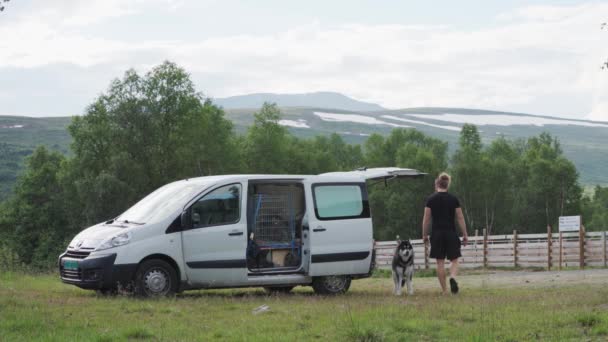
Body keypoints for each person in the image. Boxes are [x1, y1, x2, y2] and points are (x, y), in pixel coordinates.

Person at [422, 172, 468, 294]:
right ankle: (452, 277)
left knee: (440, 263)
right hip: (451, 233)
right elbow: (460, 218)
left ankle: (445, 291)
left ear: (437, 184)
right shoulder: (453, 199)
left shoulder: (431, 199)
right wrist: (465, 234)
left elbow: (426, 219)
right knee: (454, 260)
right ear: (448, 185)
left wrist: (424, 235)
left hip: (437, 235)